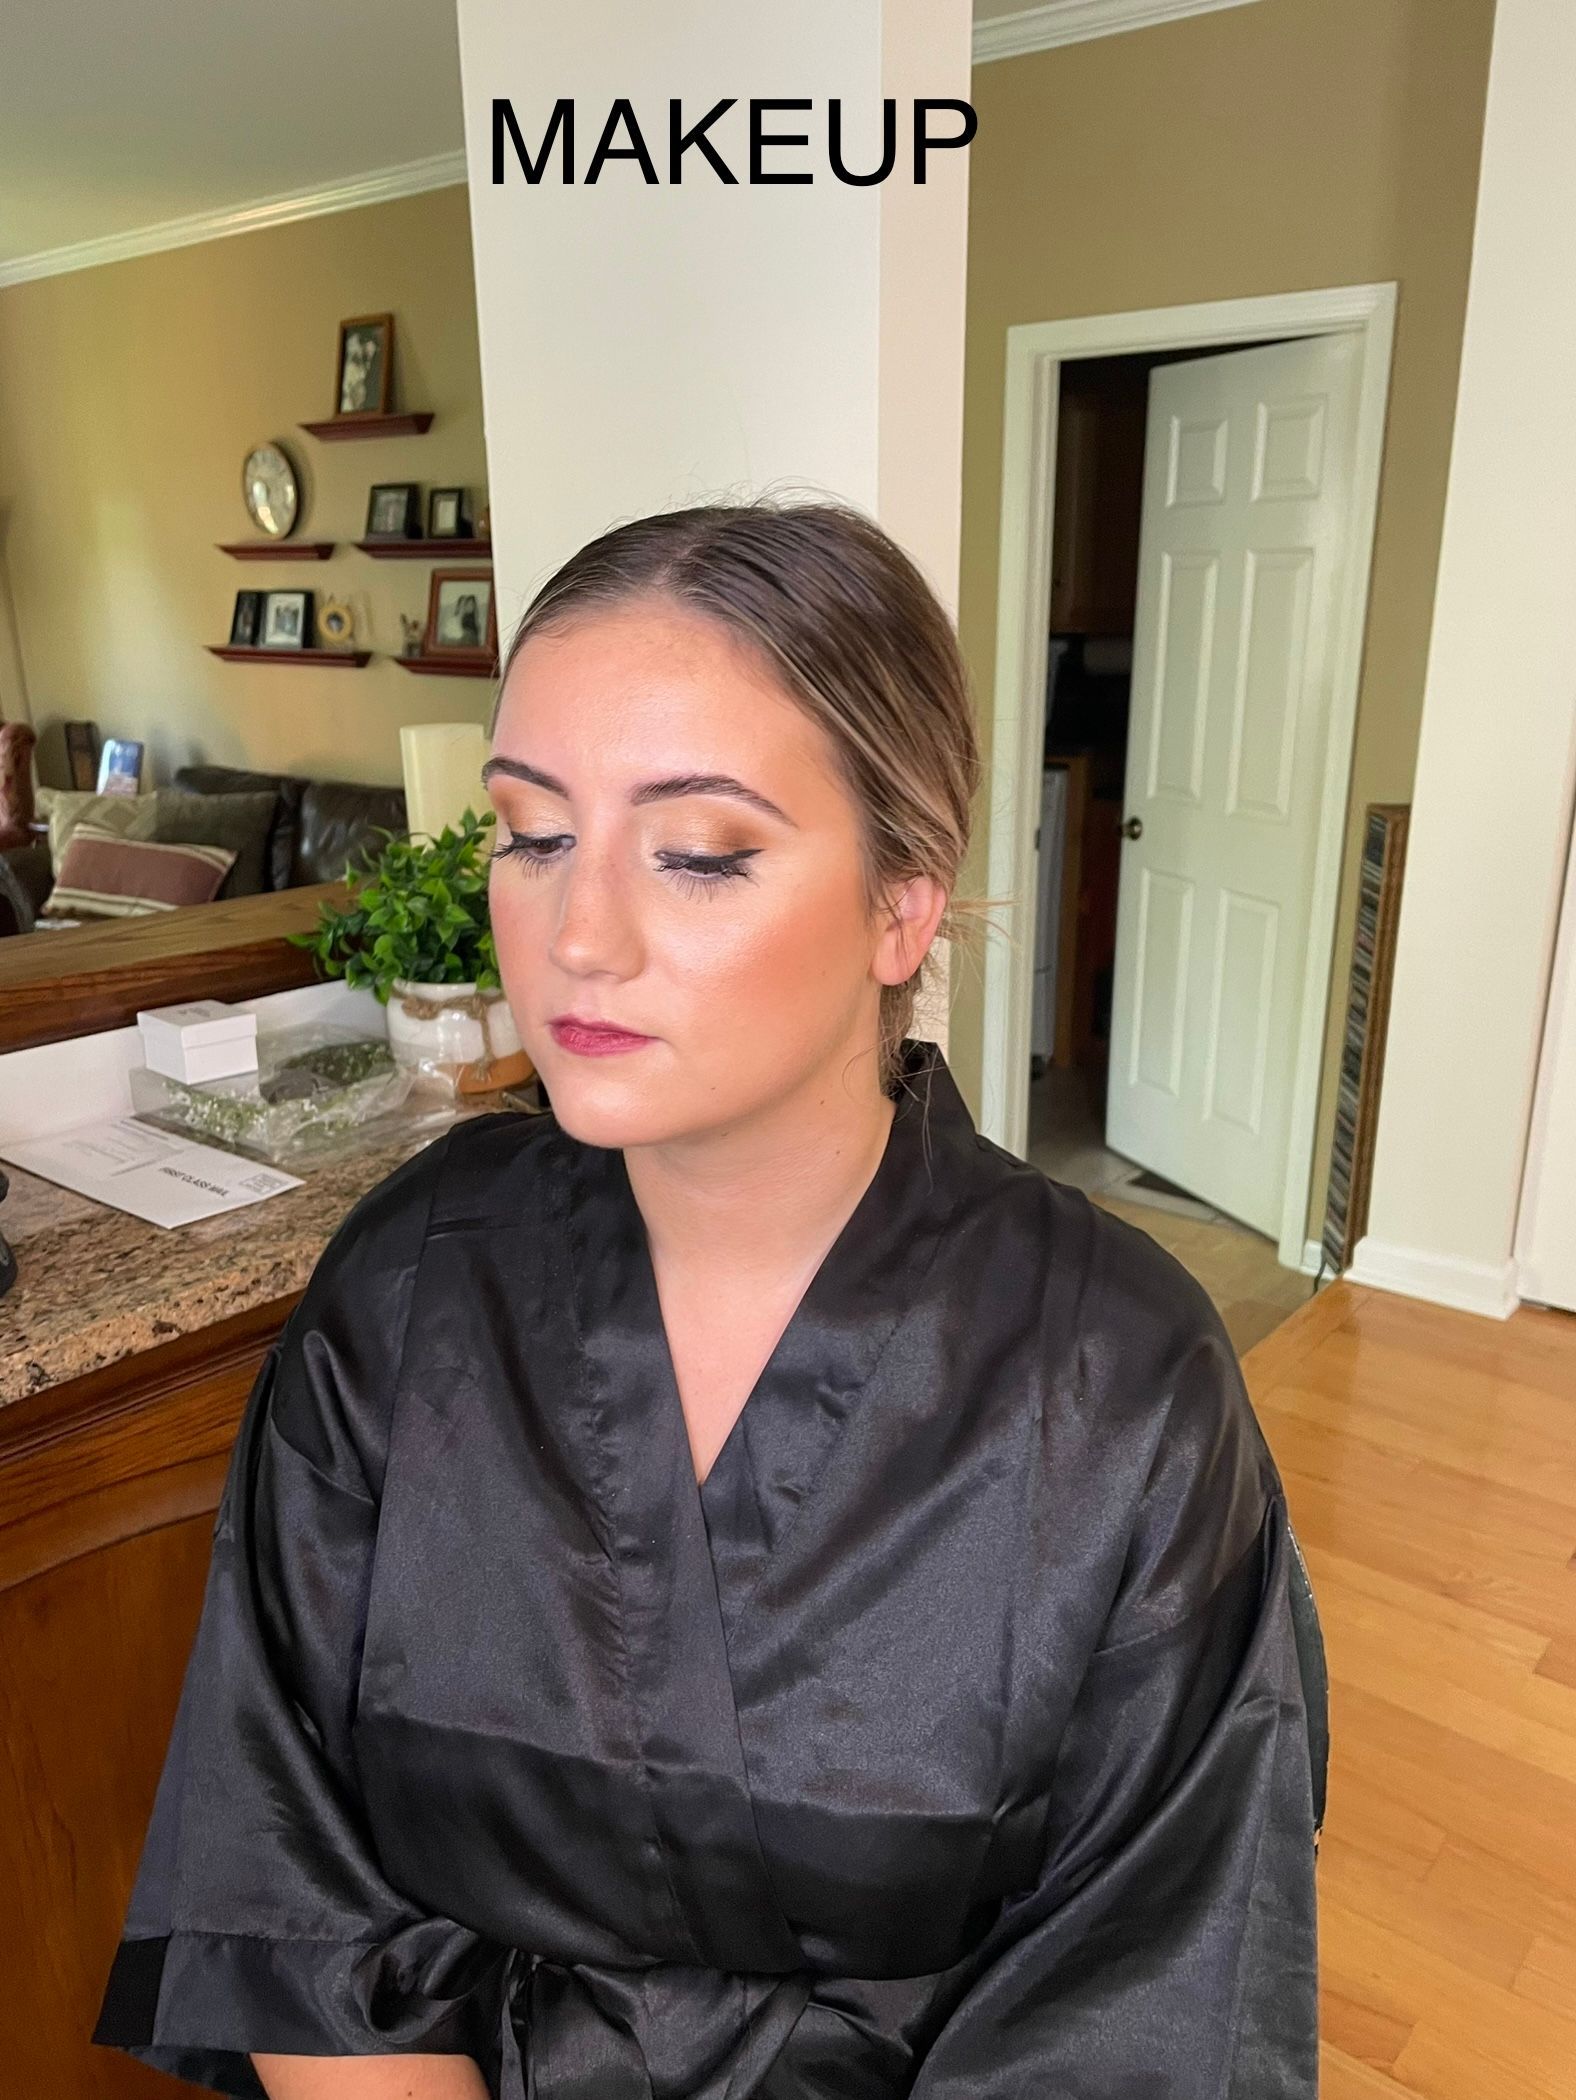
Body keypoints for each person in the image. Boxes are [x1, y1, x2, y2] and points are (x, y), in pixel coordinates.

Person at [91, 498, 1328, 2100]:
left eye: (697, 853)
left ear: (901, 901)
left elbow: (1146, 2010)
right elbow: (290, 1886)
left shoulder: (1120, 1383)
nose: (577, 936)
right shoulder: (404, 1290)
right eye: (532, 834)